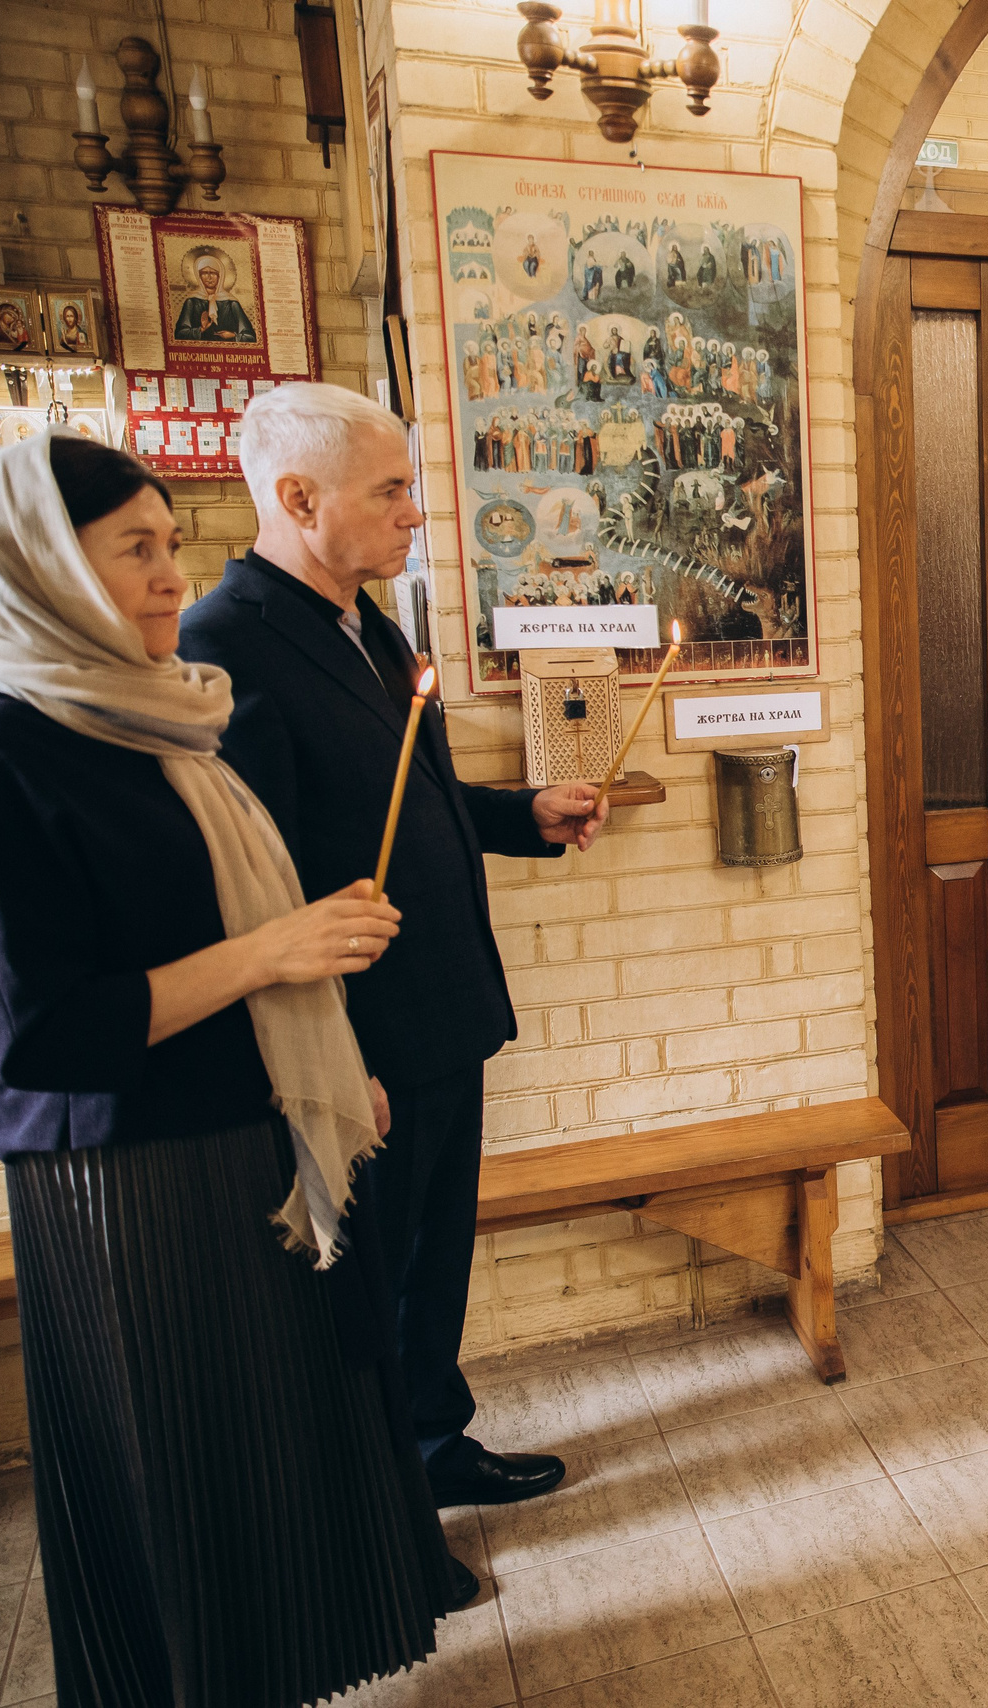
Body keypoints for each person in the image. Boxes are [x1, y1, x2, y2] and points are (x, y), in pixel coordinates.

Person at [0, 434, 464, 1703]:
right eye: (135, 549)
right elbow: (41, 1034)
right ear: (41, 565)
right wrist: (274, 951)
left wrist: (327, 1058)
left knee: (277, 1468)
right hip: (131, 1181)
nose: (172, 576)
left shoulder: (158, 709)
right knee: (190, 1491)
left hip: (250, 1130)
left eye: (172, 543)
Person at [179, 383, 608, 1510]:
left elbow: (410, 796)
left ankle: (431, 1441)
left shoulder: (363, 618)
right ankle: (383, 1504)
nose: (415, 512)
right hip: (359, 1033)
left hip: (437, 1005)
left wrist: (526, 817)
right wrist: (333, 1056)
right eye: (392, 490)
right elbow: (254, 877)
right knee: (369, 1278)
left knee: (430, 1257)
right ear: (297, 497)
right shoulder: (225, 647)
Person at [173, 253, 259, 343]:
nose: (209, 277)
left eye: (213, 273)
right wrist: (200, 330)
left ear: (220, 276)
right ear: (199, 276)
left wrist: (233, 336)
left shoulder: (231, 303)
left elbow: (250, 337)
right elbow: (179, 334)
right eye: (205, 273)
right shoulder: (191, 302)